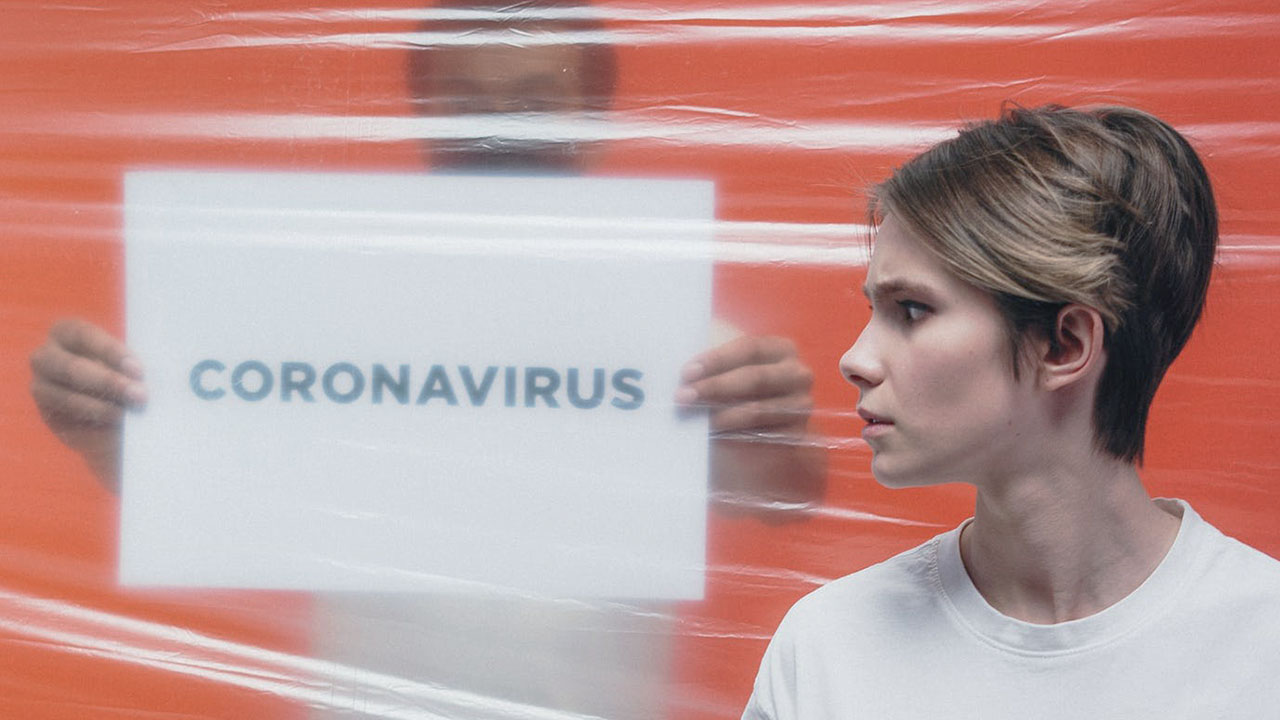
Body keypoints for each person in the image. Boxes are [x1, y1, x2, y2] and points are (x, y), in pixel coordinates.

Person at [28, 1, 824, 718]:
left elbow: (787, 492)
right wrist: (100, 418)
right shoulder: (333, 311)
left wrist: (777, 429)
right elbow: (201, 477)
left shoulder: (663, 325)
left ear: (595, 116)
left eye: (535, 104)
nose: (500, 135)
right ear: (425, 112)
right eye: (469, 104)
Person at [744, 104, 1280, 718]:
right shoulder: (829, 650)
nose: (854, 360)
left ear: (1064, 345)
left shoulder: (1263, 645)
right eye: (875, 309)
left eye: (912, 310)